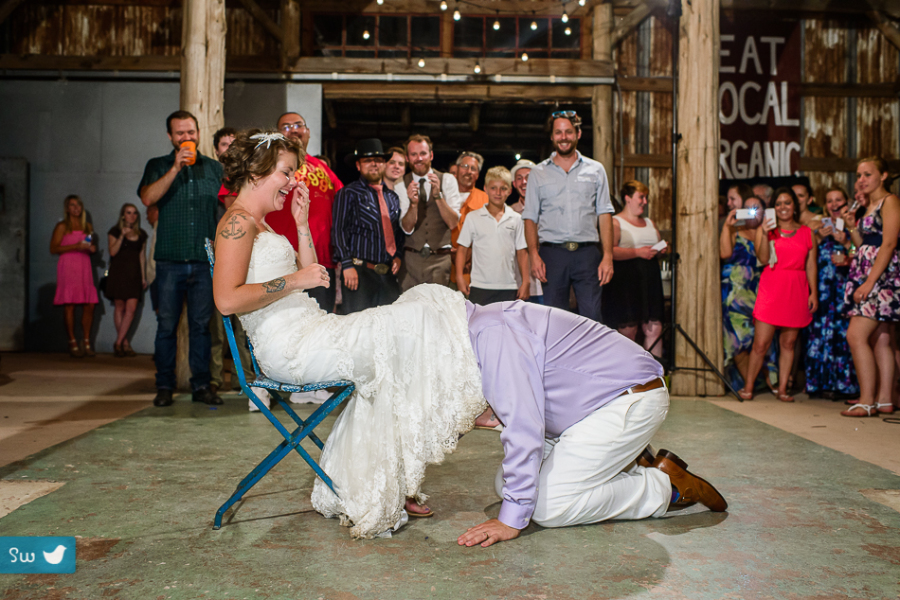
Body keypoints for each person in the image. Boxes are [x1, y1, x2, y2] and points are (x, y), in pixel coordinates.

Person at [213, 130, 483, 537]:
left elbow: (312, 279)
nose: (291, 182)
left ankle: (392, 472)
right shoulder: (236, 222)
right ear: (256, 172)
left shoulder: (262, 223)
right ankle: (403, 463)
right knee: (407, 323)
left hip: (312, 327)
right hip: (288, 346)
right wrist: (292, 279)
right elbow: (227, 300)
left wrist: (302, 226)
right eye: (286, 173)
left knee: (422, 305)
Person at [458, 301, 727, 548]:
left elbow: (524, 427)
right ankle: (624, 460)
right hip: (582, 410)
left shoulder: (492, 332)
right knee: (505, 484)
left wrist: (510, 520)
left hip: (626, 397)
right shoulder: (481, 323)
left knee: (548, 508)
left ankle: (665, 487)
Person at [139, 110, 223, 407]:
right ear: (170, 137)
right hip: (170, 261)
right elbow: (148, 198)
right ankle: (164, 385)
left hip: (203, 261)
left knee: (201, 327)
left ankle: (201, 385)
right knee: (166, 326)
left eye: (190, 132)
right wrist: (174, 168)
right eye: (180, 134)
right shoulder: (158, 165)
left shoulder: (214, 169)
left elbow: (230, 205)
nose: (186, 138)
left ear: (198, 133)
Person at [523, 110, 614, 322]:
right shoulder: (538, 172)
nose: (563, 137)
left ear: (578, 134)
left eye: (568, 132)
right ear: (552, 137)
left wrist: (608, 256)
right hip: (552, 255)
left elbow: (604, 214)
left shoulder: (596, 170)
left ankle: (591, 356)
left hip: (587, 254)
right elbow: (530, 218)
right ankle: (558, 357)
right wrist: (534, 255)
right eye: (558, 133)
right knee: (556, 319)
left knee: (592, 317)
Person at [739, 188, 817, 402]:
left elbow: (811, 265)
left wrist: (814, 293)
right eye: (779, 203)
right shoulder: (767, 231)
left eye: (788, 202)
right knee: (760, 344)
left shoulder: (806, 233)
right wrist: (763, 232)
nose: (783, 207)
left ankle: (782, 389)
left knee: (789, 344)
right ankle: (748, 387)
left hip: (797, 287)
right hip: (772, 287)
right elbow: (763, 258)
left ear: (795, 206)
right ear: (774, 208)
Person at [840, 157, 900, 417]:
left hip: (880, 276)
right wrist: (852, 224)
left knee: (855, 335)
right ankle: (884, 399)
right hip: (866, 271)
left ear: (883, 175)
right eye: (859, 175)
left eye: (867, 174)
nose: (861, 179)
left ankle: (866, 400)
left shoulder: (890, 202)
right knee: (881, 339)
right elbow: (861, 245)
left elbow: (888, 244)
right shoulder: (869, 205)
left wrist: (869, 281)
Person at [274, 111, 344, 313]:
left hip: (321, 262)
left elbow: (342, 203)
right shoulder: (270, 166)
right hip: (284, 262)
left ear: (308, 132)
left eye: (298, 125)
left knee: (320, 326)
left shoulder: (322, 167)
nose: (294, 130)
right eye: (286, 127)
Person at [332, 138, 404, 313]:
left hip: (387, 274)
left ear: (384, 164)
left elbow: (397, 232)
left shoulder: (392, 197)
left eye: (379, 160)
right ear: (358, 165)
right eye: (367, 160)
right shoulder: (347, 193)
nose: (374, 164)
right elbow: (339, 231)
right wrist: (347, 265)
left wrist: (398, 255)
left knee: (388, 327)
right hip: (358, 273)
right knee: (358, 329)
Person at [601, 181, 666, 357]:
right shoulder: (616, 222)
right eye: (641, 197)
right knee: (628, 331)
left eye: (646, 198)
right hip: (627, 281)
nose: (644, 202)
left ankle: (654, 375)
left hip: (650, 279)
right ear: (627, 198)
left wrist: (660, 249)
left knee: (654, 328)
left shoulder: (649, 222)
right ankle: (629, 375)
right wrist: (638, 252)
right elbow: (610, 250)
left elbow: (655, 245)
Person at [805, 187, 858, 399]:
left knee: (843, 336)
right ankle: (819, 384)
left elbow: (860, 252)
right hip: (823, 288)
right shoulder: (818, 225)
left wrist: (846, 243)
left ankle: (843, 385)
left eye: (838, 200)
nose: (834, 204)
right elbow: (807, 254)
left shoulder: (854, 224)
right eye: (829, 201)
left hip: (844, 288)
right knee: (819, 335)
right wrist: (818, 237)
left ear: (846, 202)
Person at [720, 196, 777, 392]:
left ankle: (760, 381)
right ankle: (749, 383)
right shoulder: (735, 230)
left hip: (760, 288)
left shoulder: (766, 231)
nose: (753, 211)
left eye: (757, 208)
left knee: (759, 339)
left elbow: (764, 257)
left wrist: (763, 232)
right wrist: (727, 227)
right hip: (735, 291)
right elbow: (725, 254)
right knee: (736, 339)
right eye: (748, 208)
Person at [455, 166, 530, 305]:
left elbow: (522, 252)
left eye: (503, 188)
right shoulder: (473, 217)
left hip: (508, 287)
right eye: (493, 188)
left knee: (506, 325)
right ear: (485, 189)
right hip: (479, 286)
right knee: (478, 325)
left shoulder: (516, 218)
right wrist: (459, 277)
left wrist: (526, 281)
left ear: (509, 190)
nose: (498, 192)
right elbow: (462, 249)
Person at [400, 134, 464, 290]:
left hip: (439, 260)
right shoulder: (400, 183)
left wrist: (438, 196)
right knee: (410, 311)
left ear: (431, 155)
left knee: (437, 310)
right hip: (411, 261)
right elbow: (406, 228)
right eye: (414, 154)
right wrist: (413, 205)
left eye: (423, 153)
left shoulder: (448, 180)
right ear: (408, 158)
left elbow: (453, 223)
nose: (419, 158)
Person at [50, 194, 98, 358]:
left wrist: (91, 248)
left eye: (78, 205)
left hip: (84, 265)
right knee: (69, 304)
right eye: (72, 205)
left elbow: (88, 244)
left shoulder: (88, 226)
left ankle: (86, 341)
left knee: (89, 304)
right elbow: (54, 248)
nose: (76, 208)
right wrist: (75, 246)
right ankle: (72, 341)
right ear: (67, 208)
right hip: (69, 266)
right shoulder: (62, 226)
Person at [106, 203, 148, 357]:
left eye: (135, 213)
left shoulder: (142, 234)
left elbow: (141, 256)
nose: (132, 215)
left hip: (134, 274)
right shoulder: (115, 231)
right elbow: (112, 252)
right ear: (123, 215)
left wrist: (143, 277)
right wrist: (122, 235)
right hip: (118, 273)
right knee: (120, 307)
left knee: (131, 309)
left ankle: (118, 342)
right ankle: (124, 343)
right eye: (128, 212)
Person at [451, 151, 489, 289]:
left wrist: (469, 255)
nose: (469, 171)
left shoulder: (486, 199)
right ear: (457, 169)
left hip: (475, 273)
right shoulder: (444, 195)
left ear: (478, 174)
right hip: (444, 268)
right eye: (465, 166)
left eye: (473, 168)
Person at [145, 204, 159, 312]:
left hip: (158, 275)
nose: (147, 217)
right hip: (155, 275)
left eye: (148, 213)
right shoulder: (156, 228)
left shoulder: (160, 227)